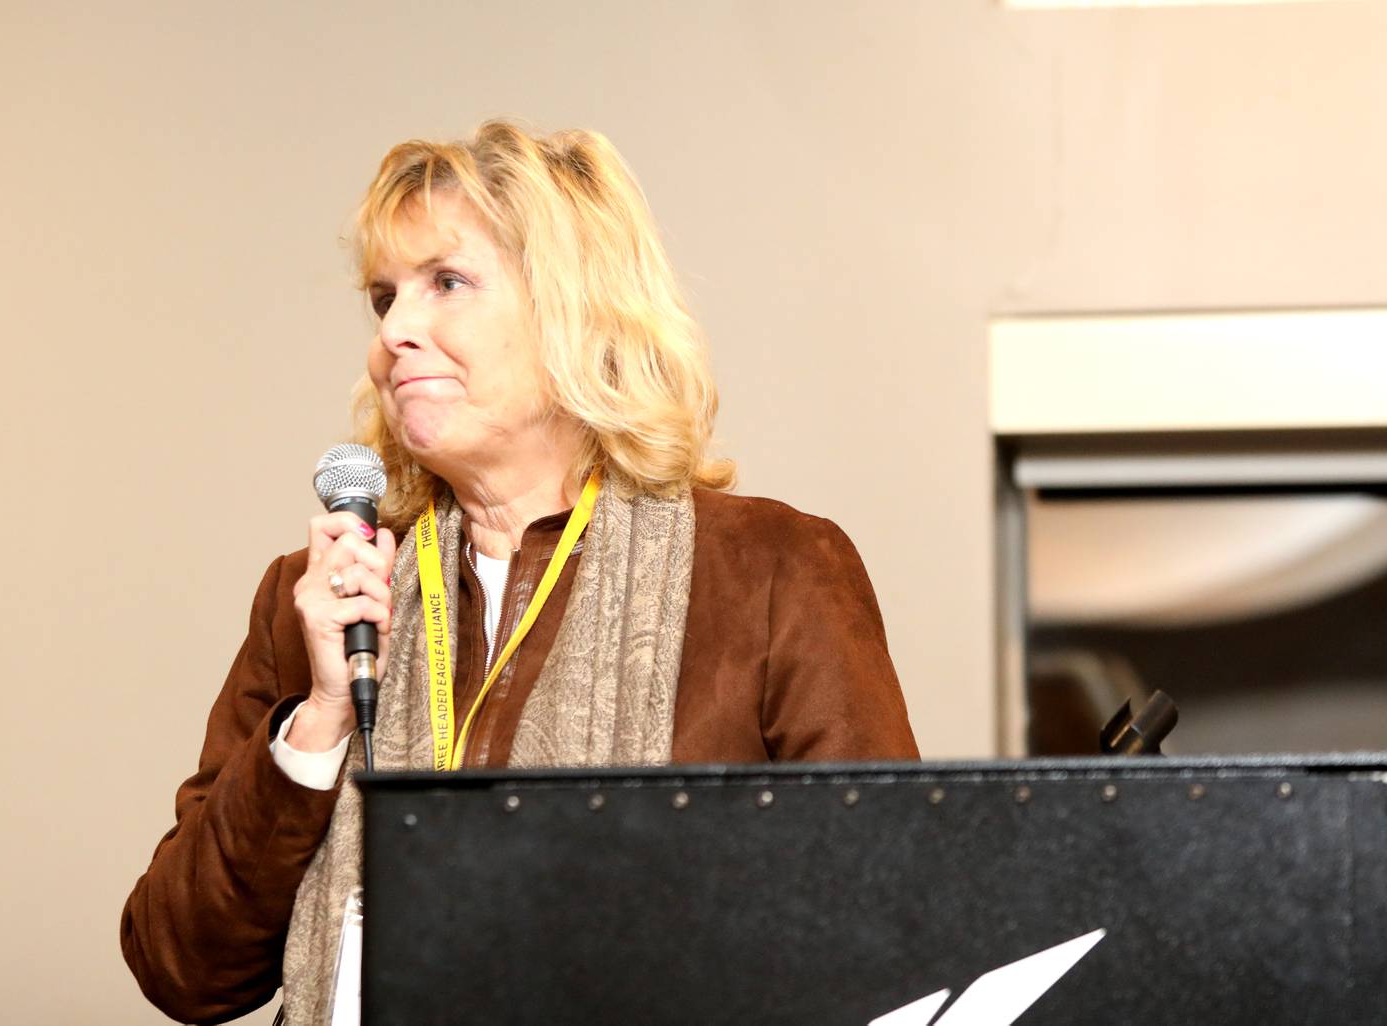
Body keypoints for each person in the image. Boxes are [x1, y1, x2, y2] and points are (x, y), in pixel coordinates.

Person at [121, 120, 918, 1024]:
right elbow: (182, 969)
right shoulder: (314, 597)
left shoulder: (773, 573)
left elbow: (892, 928)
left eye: (447, 283)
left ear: (574, 310)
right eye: (384, 298)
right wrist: (319, 722)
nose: (395, 333)